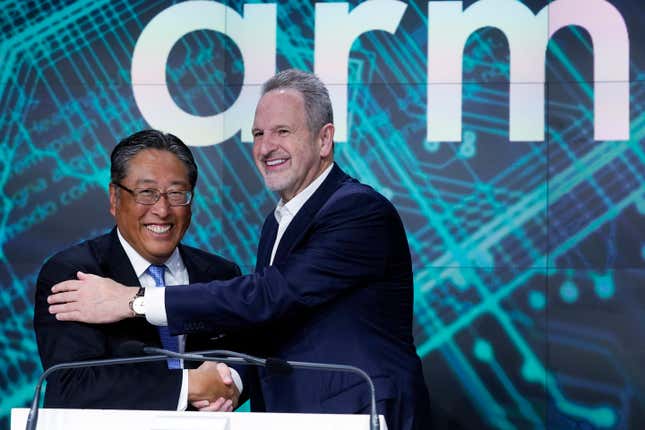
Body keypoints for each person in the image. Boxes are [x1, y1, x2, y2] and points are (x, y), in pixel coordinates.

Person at [48, 70, 431, 430]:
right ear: (115, 199)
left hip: (358, 412)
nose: (267, 147)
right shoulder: (278, 223)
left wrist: (134, 301)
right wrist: (228, 379)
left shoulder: (358, 211)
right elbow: (272, 328)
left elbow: (271, 297)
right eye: (259, 133)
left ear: (324, 139)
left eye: (283, 131)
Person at [34, 130, 242, 412]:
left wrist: (232, 385)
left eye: (176, 193)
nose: (162, 209)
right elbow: (72, 383)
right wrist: (188, 385)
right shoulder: (73, 274)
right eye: (147, 193)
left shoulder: (220, 274)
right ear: (114, 198)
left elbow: (249, 360)